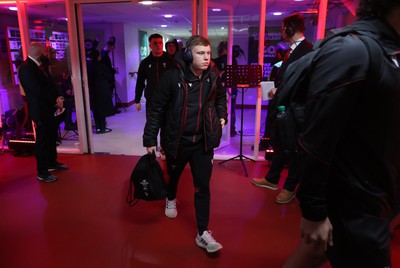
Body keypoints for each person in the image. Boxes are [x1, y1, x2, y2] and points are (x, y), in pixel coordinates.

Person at [287, 1, 400, 267]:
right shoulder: (353, 50)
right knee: (314, 251)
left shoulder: (389, 49)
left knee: (312, 253)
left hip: (380, 191)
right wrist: (313, 212)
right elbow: (317, 138)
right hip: (356, 201)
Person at [143, 35, 228, 253]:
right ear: (189, 54)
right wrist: (150, 138)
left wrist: (222, 115)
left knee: (203, 186)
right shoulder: (172, 77)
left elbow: (220, 97)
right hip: (177, 141)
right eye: (201, 53)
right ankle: (170, 197)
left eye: (208, 53)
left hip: (203, 142)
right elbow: (157, 108)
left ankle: (203, 233)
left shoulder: (213, 75)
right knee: (173, 176)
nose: (207, 58)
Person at [252, 13, 313, 204]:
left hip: (295, 109)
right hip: (283, 106)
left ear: (289, 28)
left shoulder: (308, 50)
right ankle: (272, 179)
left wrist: (281, 89)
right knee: (279, 144)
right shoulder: (292, 50)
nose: (280, 31)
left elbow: (306, 82)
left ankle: (289, 187)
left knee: (292, 148)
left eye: (282, 27)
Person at [18, 42, 68, 183]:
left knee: (52, 137)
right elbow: (37, 91)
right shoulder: (26, 68)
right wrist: (54, 101)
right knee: (43, 141)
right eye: (45, 51)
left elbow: (50, 84)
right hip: (40, 111)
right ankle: (42, 171)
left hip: (49, 109)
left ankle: (52, 163)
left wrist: (58, 96)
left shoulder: (41, 66)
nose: (47, 53)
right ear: (38, 52)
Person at [134, 33, 175, 119]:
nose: (158, 45)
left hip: (168, 100)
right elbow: (140, 82)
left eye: (160, 43)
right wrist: (137, 99)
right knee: (151, 127)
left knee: (167, 128)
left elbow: (176, 80)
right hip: (152, 100)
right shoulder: (145, 63)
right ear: (150, 45)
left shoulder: (170, 60)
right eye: (155, 43)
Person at [213, 41, 238, 137]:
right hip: (225, 87)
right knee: (230, 108)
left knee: (228, 108)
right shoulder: (231, 60)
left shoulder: (228, 60)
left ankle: (229, 129)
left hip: (229, 87)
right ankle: (231, 130)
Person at [87, 49, 115, 134]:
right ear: (98, 56)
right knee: (103, 108)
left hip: (92, 90)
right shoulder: (101, 66)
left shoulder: (89, 66)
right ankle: (103, 127)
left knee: (96, 109)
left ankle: (98, 128)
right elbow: (109, 76)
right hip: (102, 89)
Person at [101, 38, 120, 114]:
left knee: (108, 95)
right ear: (109, 46)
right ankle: (109, 110)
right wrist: (114, 71)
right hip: (107, 79)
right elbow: (106, 69)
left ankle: (110, 109)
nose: (112, 50)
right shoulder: (104, 56)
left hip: (107, 78)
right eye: (112, 48)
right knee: (108, 95)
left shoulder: (104, 54)